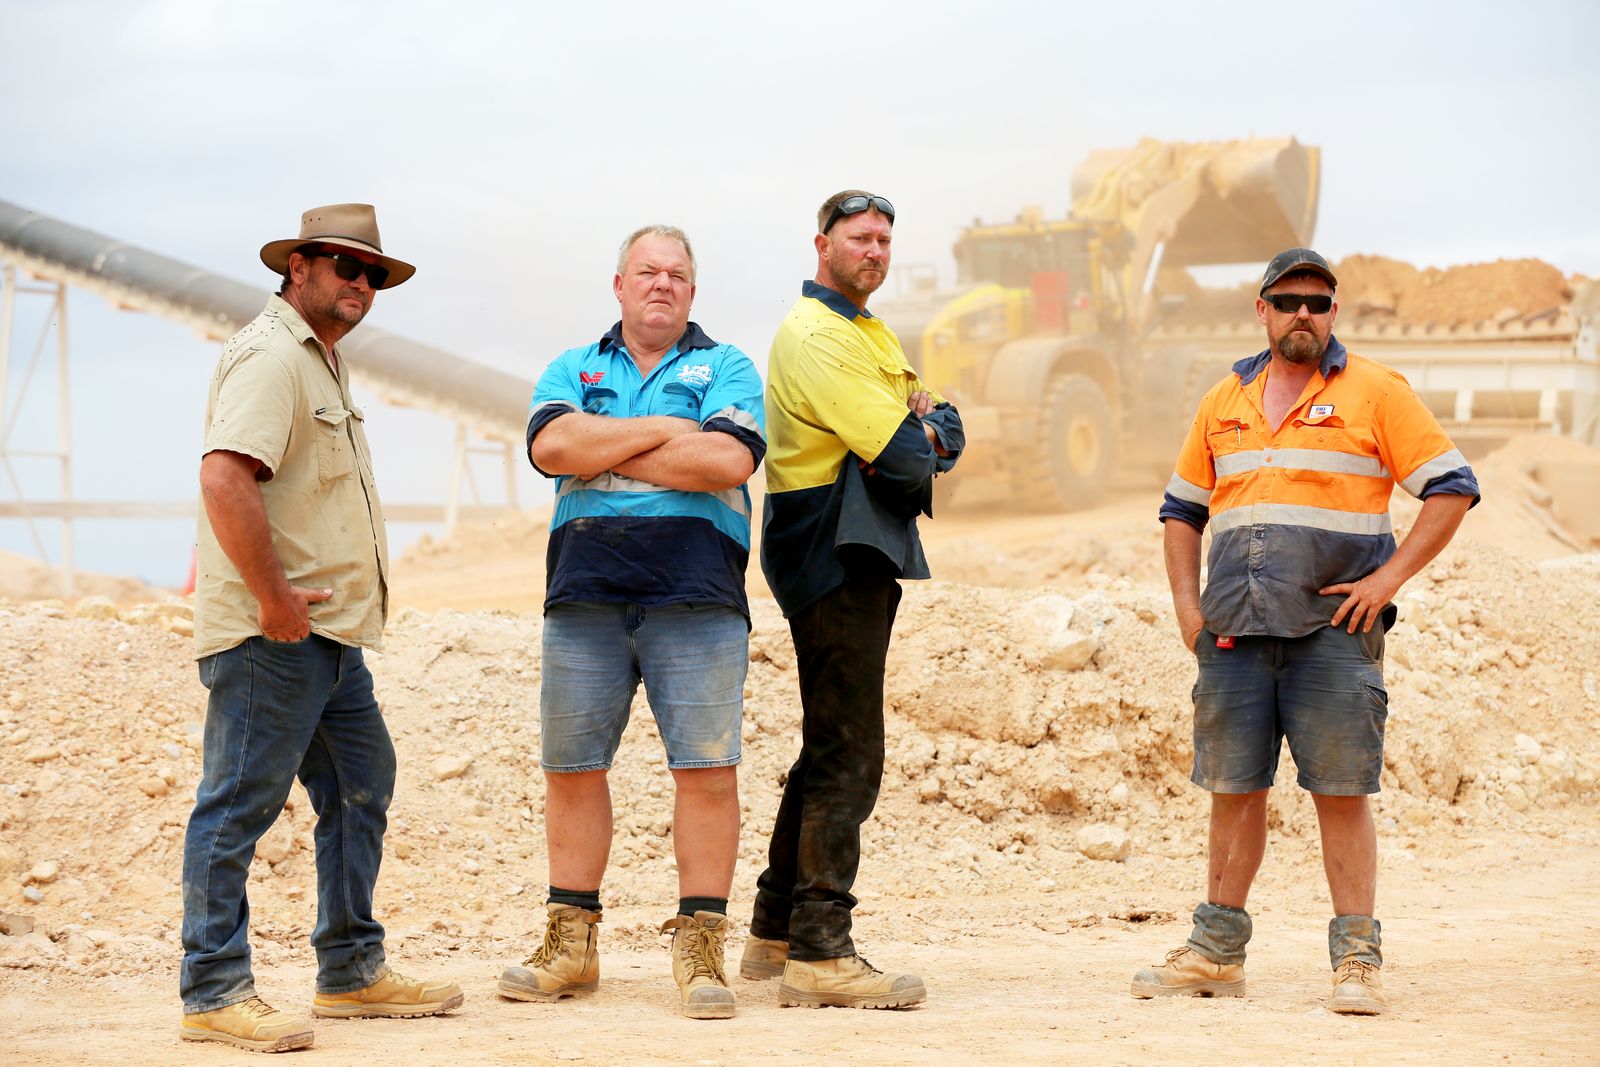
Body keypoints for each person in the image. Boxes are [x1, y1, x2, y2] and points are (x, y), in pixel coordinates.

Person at [1133, 247, 1478, 1015]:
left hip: (1332, 633)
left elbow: (1452, 487)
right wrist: (1188, 610)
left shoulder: (1377, 391)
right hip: (1233, 633)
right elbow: (1182, 510)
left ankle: (1356, 958)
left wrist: (1387, 580)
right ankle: (1216, 953)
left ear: (1333, 313)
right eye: (1288, 300)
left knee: (1341, 793)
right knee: (1234, 791)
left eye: (1318, 302)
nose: (1303, 314)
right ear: (1261, 309)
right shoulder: (1224, 398)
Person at [180, 204, 462, 1053]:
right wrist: (273, 599)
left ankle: (349, 969)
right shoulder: (272, 356)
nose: (362, 283)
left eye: (373, 273)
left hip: (328, 635)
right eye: (345, 265)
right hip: (273, 636)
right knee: (238, 802)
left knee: (362, 777)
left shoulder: (320, 362)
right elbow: (225, 478)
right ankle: (213, 989)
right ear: (297, 267)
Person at [496, 225, 765, 1020]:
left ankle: (701, 947)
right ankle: (571, 944)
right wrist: (671, 431)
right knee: (572, 768)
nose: (662, 283)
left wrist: (603, 448)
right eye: (647, 271)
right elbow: (552, 445)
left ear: (693, 291)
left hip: (698, 595)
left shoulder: (729, 366)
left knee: (707, 771)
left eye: (677, 274)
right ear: (619, 284)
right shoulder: (571, 366)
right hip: (585, 595)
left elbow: (728, 460)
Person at [740, 191, 964, 1010]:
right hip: (832, 545)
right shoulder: (819, 336)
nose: (874, 250)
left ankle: (775, 929)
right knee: (850, 752)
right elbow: (907, 456)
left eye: (883, 240)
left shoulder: (870, 331)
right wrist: (919, 435)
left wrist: (927, 430)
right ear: (822, 245)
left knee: (828, 743)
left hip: (857, 547)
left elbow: (943, 426)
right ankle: (820, 949)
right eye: (859, 237)